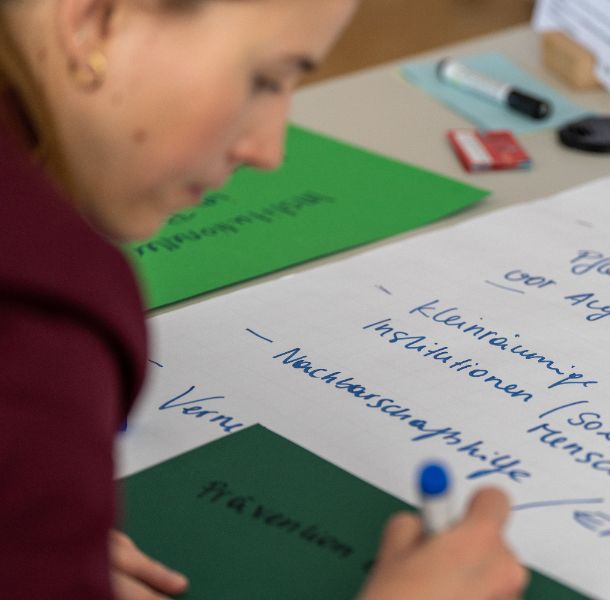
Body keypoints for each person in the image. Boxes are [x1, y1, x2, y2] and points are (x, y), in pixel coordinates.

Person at [0, 0, 528, 598]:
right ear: (92, 20)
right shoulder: (37, 321)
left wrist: (33, 542)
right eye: (265, 80)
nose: (267, 150)